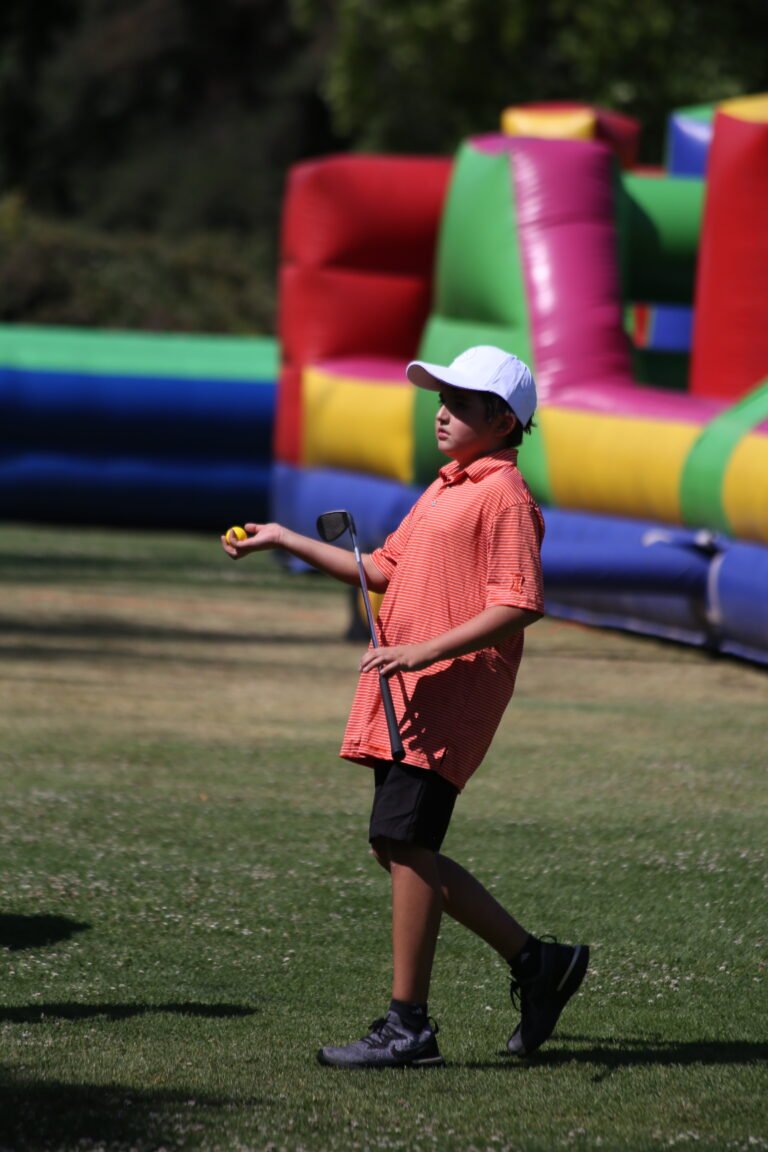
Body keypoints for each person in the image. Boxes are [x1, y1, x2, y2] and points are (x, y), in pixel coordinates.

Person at [222, 345, 589, 1068]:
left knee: (408, 845)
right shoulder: (447, 486)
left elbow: (520, 603)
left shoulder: (505, 495)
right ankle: (537, 962)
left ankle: (409, 1028)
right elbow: (383, 568)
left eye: (460, 402)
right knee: (396, 846)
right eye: (440, 400)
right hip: (411, 694)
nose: (442, 413)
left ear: (504, 420)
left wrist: (423, 652)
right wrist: (284, 538)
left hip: (446, 695)